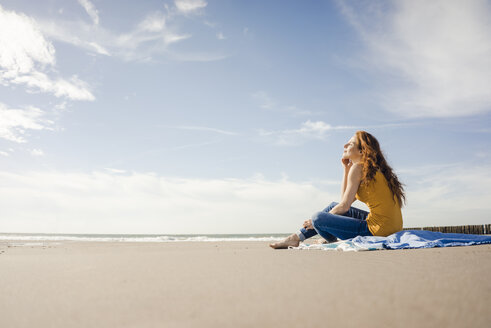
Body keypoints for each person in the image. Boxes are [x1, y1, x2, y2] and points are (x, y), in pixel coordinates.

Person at [270, 131, 405, 249]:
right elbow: (343, 202)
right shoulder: (371, 169)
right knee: (333, 207)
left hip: (378, 230)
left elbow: (344, 206)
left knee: (318, 217)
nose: (344, 146)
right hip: (392, 226)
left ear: (361, 151)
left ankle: (319, 238)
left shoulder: (358, 168)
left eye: (350, 144)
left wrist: (314, 222)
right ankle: (297, 237)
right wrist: (346, 170)